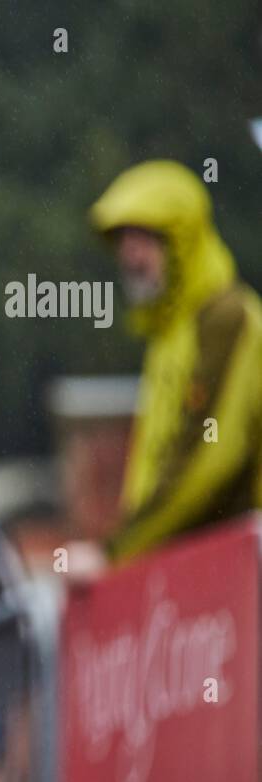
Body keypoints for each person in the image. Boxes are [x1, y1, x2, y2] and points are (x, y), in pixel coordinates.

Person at [90, 160, 262, 563]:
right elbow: (154, 469)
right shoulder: (169, 334)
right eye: (122, 241)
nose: (131, 256)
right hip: (194, 566)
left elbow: (205, 461)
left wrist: (117, 553)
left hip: (236, 567)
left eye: (145, 238)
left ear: (181, 241)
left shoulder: (225, 318)